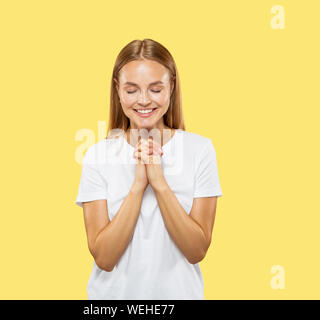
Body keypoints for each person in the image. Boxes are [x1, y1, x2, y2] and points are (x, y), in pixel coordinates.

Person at [75, 38, 223, 299]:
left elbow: (196, 250)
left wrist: (160, 183)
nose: (144, 100)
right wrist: (138, 186)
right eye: (131, 90)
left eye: (155, 89)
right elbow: (104, 258)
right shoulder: (97, 156)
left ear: (172, 87)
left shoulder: (200, 150)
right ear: (118, 90)